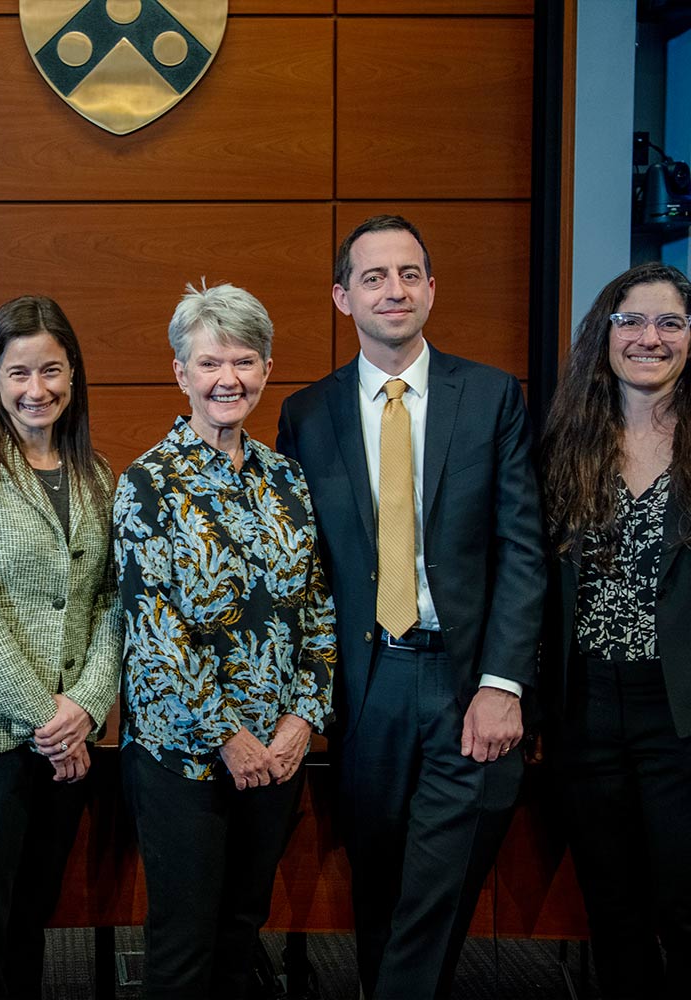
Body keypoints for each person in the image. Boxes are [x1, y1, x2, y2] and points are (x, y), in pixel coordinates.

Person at [277, 215, 546, 999]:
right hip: (364, 687)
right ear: (342, 297)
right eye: (373, 277)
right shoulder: (306, 413)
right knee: (379, 881)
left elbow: (521, 549)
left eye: (408, 274)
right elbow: (306, 568)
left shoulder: (492, 396)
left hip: (465, 684)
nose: (393, 290)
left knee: (434, 886)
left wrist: (504, 682)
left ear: (431, 288)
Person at [114, 281, 335, 1000]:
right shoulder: (147, 484)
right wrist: (228, 737)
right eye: (210, 363)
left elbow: (318, 609)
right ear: (181, 372)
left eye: (243, 361)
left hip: (276, 754)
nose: (227, 379)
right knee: (183, 947)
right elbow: (155, 634)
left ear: (267, 370)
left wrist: (303, 719)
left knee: (243, 934)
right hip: (187, 760)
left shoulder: (288, 481)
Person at [0, 295, 122, 1000]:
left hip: (69, 741)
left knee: (32, 923)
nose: (37, 389)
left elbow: (110, 605)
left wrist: (88, 709)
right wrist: (50, 720)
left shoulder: (99, 476)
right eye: (19, 373)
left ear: (73, 376)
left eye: (52, 370)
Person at [540, 262, 691, 1000]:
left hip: (680, 711)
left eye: (669, 322)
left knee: (685, 907)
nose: (648, 338)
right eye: (630, 321)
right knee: (614, 910)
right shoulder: (568, 439)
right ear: (604, 335)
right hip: (588, 707)